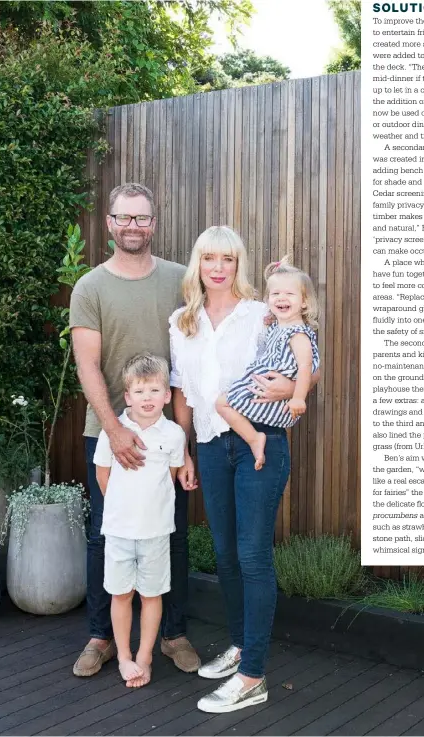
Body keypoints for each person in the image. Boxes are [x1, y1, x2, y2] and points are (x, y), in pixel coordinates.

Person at [169, 226, 319, 714]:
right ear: (198, 264)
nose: (218, 267)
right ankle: (239, 645)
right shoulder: (182, 322)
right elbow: (182, 391)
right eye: (209, 258)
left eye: (228, 259)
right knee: (226, 554)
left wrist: (294, 390)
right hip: (212, 447)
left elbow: (305, 355)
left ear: (238, 265)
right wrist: (184, 449)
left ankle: (253, 675)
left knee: (253, 556)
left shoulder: (261, 313)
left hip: (260, 443)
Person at [70, 182, 200, 678]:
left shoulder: (178, 280)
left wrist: (183, 443)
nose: (132, 226)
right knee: (106, 536)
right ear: (109, 223)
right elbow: (87, 365)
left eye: (141, 218)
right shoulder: (91, 287)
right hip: (106, 433)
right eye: (123, 218)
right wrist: (115, 429)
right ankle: (101, 637)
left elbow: (186, 365)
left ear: (153, 223)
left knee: (172, 533)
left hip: (166, 437)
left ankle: (174, 634)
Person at [94, 353, 186, 688]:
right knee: (121, 595)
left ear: (166, 395)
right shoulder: (113, 432)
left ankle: (145, 656)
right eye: (140, 391)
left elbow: (171, 475)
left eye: (154, 390)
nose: (147, 398)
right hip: (119, 530)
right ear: (128, 396)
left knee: (151, 595)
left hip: (157, 531)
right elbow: (103, 473)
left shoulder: (175, 434)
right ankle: (123, 656)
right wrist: (122, 507)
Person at [216, 256, 319, 471]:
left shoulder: (298, 334)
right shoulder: (280, 326)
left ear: (304, 301)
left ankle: (254, 439)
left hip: (274, 399)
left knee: (222, 403)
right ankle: (253, 438)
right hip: (265, 388)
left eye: (289, 294)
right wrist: (270, 323)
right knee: (222, 403)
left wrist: (299, 398)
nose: (281, 298)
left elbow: (305, 367)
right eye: (275, 294)